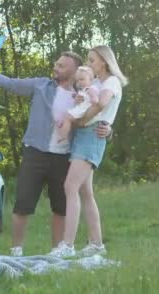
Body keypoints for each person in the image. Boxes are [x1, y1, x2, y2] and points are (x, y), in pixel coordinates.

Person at [0, 52, 111, 256]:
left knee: (61, 208)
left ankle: (57, 252)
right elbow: (9, 83)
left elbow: (99, 116)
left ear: (73, 70)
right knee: (23, 204)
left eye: (61, 65)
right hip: (35, 153)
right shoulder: (41, 85)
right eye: (56, 63)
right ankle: (16, 251)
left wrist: (108, 130)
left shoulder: (85, 94)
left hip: (64, 157)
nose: (55, 67)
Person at [49, 45, 128, 258]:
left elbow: (102, 104)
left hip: (92, 134)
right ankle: (96, 244)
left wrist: (82, 120)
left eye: (92, 60)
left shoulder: (110, 82)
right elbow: (86, 98)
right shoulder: (96, 82)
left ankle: (67, 245)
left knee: (70, 186)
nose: (90, 63)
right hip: (85, 135)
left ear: (104, 61)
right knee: (85, 193)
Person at [56, 66, 99, 143]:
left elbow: (95, 99)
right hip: (81, 108)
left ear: (91, 79)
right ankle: (63, 128)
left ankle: (64, 136)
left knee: (67, 117)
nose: (79, 82)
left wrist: (93, 101)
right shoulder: (84, 89)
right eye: (78, 80)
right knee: (66, 116)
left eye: (82, 79)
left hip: (84, 109)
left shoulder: (89, 89)